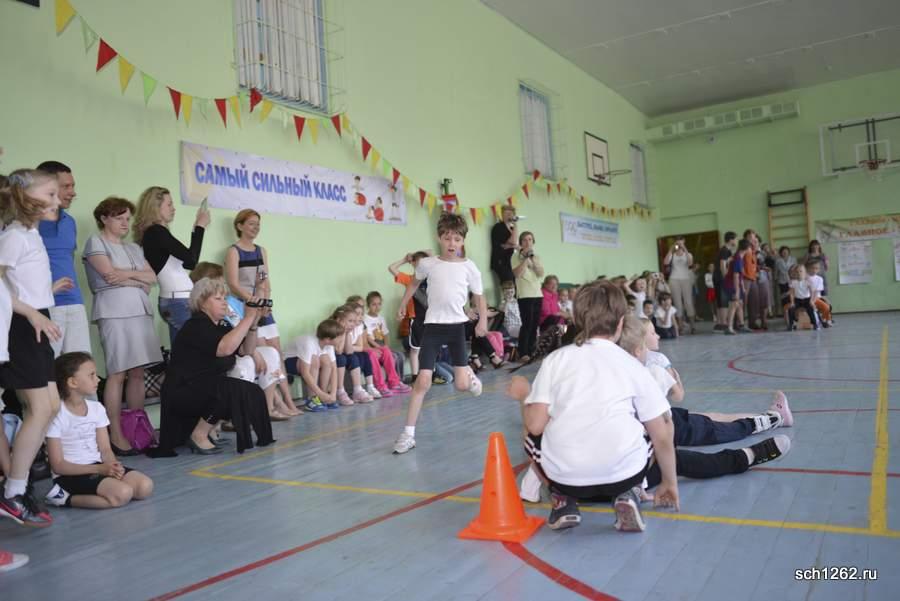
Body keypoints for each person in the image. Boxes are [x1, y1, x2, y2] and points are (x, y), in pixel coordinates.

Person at [512, 280, 678, 531]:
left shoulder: (556, 360)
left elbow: (535, 425)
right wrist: (669, 482)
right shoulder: (632, 364)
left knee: (529, 432)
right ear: (620, 323)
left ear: (578, 320)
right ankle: (630, 492)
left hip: (567, 479)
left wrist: (524, 396)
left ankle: (562, 500)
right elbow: (663, 433)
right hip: (623, 475)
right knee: (658, 423)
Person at [0, 169, 63, 527]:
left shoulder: (30, 233)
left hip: (38, 319)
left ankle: (18, 486)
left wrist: (42, 307)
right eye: (50, 194)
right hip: (22, 326)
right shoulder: (13, 236)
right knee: (38, 409)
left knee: (50, 407)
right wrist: (31, 313)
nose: (57, 200)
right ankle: (12, 491)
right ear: (25, 197)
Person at [393, 213, 485, 454]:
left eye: (457, 239)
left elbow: (479, 296)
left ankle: (470, 377)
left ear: (463, 241)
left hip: (456, 328)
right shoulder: (428, 264)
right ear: (439, 238)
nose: (452, 243)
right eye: (447, 238)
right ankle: (408, 434)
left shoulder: (469, 267)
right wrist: (403, 303)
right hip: (432, 328)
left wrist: (482, 321)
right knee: (422, 381)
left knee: (461, 385)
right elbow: (414, 283)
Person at [155, 277, 274, 455]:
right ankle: (198, 434)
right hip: (182, 390)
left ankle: (258, 436)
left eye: (225, 298)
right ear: (202, 303)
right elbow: (225, 349)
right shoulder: (196, 325)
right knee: (229, 390)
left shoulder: (221, 325)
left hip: (204, 386)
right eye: (218, 299)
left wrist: (253, 323)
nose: (224, 303)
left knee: (251, 391)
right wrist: (248, 317)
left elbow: (246, 350)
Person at [82, 197, 162, 455]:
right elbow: (108, 275)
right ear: (104, 218)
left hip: (140, 311)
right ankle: (115, 433)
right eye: (119, 218)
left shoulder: (134, 248)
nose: (125, 223)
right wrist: (138, 280)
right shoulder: (96, 242)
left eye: (127, 218)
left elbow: (152, 277)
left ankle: (138, 429)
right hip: (113, 311)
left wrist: (125, 275)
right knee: (117, 373)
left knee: (137, 373)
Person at [44, 352, 154, 509]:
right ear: (73, 382)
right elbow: (58, 465)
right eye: (91, 375)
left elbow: (105, 449)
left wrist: (112, 466)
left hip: (97, 467)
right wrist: (99, 469)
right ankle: (62, 498)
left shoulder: (97, 408)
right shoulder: (56, 414)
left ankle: (105, 488)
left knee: (144, 487)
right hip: (69, 474)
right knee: (123, 494)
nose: (98, 379)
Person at [133, 186, 209, 342]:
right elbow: (192, 260)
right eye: (169, 204)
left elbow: (187, 264)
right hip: (177, 301)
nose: (173, 209)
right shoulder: (156, 232)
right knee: (196, 346)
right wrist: (200, 227)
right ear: (155, 207)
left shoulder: (157, 233)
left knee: (182, 350)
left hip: (177, 300)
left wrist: (196, 229)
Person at [36, 161, 89, 356]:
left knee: (81, 365)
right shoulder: (27, 223)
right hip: (44, 306)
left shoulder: (70, 222)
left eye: (73, 186)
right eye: (66, 186)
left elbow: (67, 259)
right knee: (47, 367)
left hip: (75, 302)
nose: (72, 192)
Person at [225, 209, 282, 354]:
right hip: (244, 307)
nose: (256, 227)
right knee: (260, 351)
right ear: (240, 226)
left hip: (261, 306)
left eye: (258, 224)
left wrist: (266, 302)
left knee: (276, 350)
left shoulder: (261, 251)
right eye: (251, 224)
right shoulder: (233, 251)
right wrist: (252, 301)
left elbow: (265, 279)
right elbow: (233, 284)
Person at [388, 250, 431, 380]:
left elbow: (432, 255)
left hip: (431, 319)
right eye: (419, 263)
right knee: (415, 349)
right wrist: (404, 260)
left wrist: (427, 255)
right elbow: (391, 268)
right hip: (417, 319)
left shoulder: (432, 278)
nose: (422, 265)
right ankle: (415, 376)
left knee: (429, 348)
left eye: (425, 263)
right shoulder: (410, 280)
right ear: (413, 263)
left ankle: (430, 373)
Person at [284, 319, 341, 410]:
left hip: (304, 362)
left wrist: (333, 394)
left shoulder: (328, 344)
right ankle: (312, 398)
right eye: (339, 337)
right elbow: (305, 372)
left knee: (326, 360)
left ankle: (323, 396)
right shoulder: (309, 343)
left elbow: (334, 368)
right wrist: (319, 393)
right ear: (328, 339)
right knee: (315, 360)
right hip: (288, 362)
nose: (341, 339)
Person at [362, 291, 411, 394]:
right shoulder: (365, 319)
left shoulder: (381, 318)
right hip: (373, 345)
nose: (377, 307)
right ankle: (388, 383)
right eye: (374, 304)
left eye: (379, 304)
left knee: (399, 356)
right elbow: (368, 338)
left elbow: (385, 335)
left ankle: (396, 382)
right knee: (392, 355)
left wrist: (386, 346)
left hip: (381, 345)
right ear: (368, 305)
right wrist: (380, 347)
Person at [511, 231, 544, 362]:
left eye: (530, 239)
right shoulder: (515, 257)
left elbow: (540, 273)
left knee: (535, 324)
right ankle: (523, 352)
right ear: (521, 243)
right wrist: (525, 259)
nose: (527, 242)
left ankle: (532, 351)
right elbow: (517, 274)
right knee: (527, 323)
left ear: (533, 242)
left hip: (537, 294)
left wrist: (532, 260)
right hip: (525, 295)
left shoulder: (536, 256)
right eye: (524, 240)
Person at [663, 237, 695, 334]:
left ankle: (692, 326)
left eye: (681, 243)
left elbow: (690, 263)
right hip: (674, 279)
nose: (679, 245)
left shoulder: (688, 254)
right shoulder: (672, 254)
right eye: (678, 243)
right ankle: (680, 326)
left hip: (686, 279)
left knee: (688, 302)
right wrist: (671, 249)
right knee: (677, 303)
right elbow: (665, 262)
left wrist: (684, 248)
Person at [723, 239, 751, 335]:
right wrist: (737, 291)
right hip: (731, 284)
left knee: (740, 303)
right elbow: (735, 276)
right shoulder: (737, 259)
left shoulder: (740, 257)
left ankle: (742, 325)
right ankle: (729, 327)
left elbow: (740, 275)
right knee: (734, 304)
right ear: (747, 249)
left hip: (736, 283)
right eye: (750, 248)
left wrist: (742, 286)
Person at [713, 232, 737, 330]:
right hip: (721, 277)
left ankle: (720, 323)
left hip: (719, 277)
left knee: (721, 300)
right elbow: (722, 265)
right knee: (723, 300)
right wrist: (726, 278)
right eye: (735, 239)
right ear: (730, 240)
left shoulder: (727, 251)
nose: (736, 241)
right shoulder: (724, 251)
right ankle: (723, 323)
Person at [490, 205, 518, 289]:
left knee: (514, 285)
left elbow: (514, 244)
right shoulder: (499, 227)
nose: (508, 215)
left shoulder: (511, 228)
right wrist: (516, 225)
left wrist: (512, 245)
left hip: (509, 261)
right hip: (501, 262)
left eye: (510, 213)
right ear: (502, 215)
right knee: (508, 285)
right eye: (505, 213)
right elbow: (513, 241)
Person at [787, 264, 819, 331]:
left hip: (807, 299)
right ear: (795, 273)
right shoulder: (793, 282)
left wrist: (811, 301)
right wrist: (792, 302)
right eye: (797, 271)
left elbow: (812, 292)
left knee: (810, 309)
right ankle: (791, 324)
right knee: (791, 309)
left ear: (805, 272)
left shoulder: (807, 281)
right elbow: (791, 293)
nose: (799, 273)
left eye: (801, 271)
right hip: (797, 300)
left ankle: (815, 324)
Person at [807, 260, 833, 327]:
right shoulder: (805, 278)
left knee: (827, 306)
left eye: (816, 268)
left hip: (816, 298)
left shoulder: (819, 279)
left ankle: (825, 319)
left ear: (819, 269)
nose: (814, 270)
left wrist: (812, 301)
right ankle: (821, 320)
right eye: (812, 268)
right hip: (807, 298)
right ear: (808, 268)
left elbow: (817, 291)